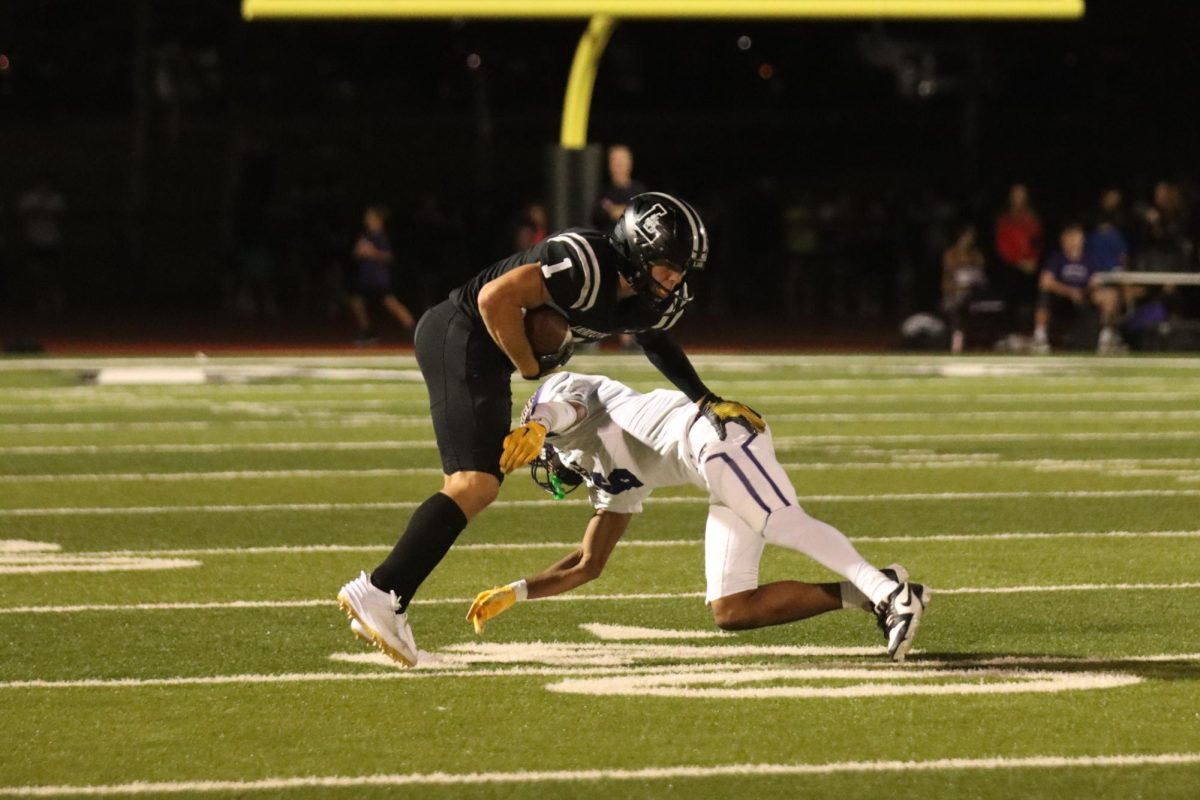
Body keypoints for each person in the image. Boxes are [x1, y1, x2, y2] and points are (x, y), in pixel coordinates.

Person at [337, 192, 765, 666]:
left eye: (682, 268)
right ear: (637, 250)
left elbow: (654, 339)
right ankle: (380, 591)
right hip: (461, 332)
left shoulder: (648, 296)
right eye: (667, 265)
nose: (675, 278)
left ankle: (385, 592)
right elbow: (493, 297)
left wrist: (704, 398)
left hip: (485, 356)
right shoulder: (584, 263)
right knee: (474, 485)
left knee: (472, 485)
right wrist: (529, 367)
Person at [462, 372, 930, 663]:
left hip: (714, 435)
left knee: (781, 521)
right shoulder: (606, 476)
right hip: (714, 469)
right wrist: (517, 591)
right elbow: (588, 562)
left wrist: (539, 423)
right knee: (731, 608)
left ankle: (889, 594)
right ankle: (871, 591)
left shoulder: (566, 407)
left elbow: (569, 405)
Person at [1033, 222, 1122, 353]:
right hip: (1061, 297)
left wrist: (1086, 291)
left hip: (1084, 295)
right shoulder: (1057, 257)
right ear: (1062, 239)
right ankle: (1040, 336)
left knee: (1110, 294)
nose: (1073, 241)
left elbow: (1095, 281)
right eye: (1069, 237)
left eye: (1076, 237)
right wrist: (1069, 291)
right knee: (1044, 294)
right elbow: (1045, 281)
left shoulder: (1090, 258)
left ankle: (1106, 336)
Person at [347, 204, 415, 345]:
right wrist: (360, 250)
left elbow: (389, 257)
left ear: (378, 219)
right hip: (365, 277)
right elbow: (356, 253)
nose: (367, 218)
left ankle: (412, 328)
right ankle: (367, 332)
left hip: (378, 278)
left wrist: (372, 252)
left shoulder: (380, 236)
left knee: (390, 302)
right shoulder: (365, 236)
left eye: (370, 216)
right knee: (356, 302)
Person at [993, 183, 1043, 334]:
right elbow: (1002, 247)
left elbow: (1037, 242)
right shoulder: (1004, 219)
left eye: (1022, 194)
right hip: (1010, 266)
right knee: (1011, 293)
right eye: (1016, 194)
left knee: (1033, 295)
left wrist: (1033, 261)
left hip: (1030, 266)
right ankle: (1011, 333)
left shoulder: (1033, 218)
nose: (1019, 197)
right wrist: (1019, 262)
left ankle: (1032, 332)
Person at [941, 223, 988, 354]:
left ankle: (974, 341)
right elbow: (946, 283)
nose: (970, 239)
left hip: (974, 293)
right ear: (960, 237)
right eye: (967, 236)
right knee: (955, 303)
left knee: (970, 301)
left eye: (971, 236)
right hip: (955, 293)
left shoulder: (977, 255)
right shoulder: (950, 255)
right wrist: (959, 287)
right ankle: (957, 340)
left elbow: (981, 279)